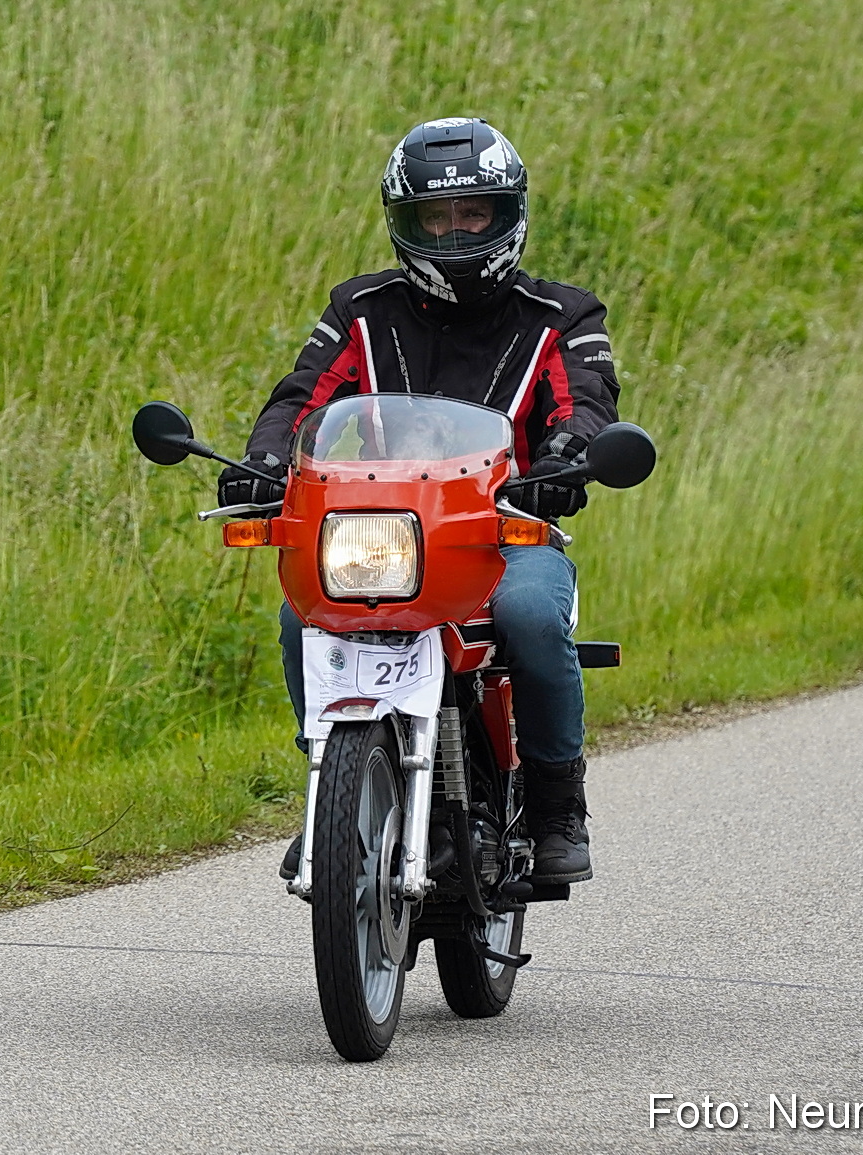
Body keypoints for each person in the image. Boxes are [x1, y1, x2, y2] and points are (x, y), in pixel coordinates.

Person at [222, 117, 621, 885]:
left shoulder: (563, 317)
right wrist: (266, 460)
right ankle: (332, 804)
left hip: (510, 536)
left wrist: (574, 452)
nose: (456, 232)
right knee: (300, 611)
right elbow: (302, 396)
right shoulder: (360, 311)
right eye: (435, 218)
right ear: (404, 222)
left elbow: (588, 402)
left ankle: (555, 808)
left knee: (533, 617)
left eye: (473, 213)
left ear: (508, 213)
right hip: (383, 535)